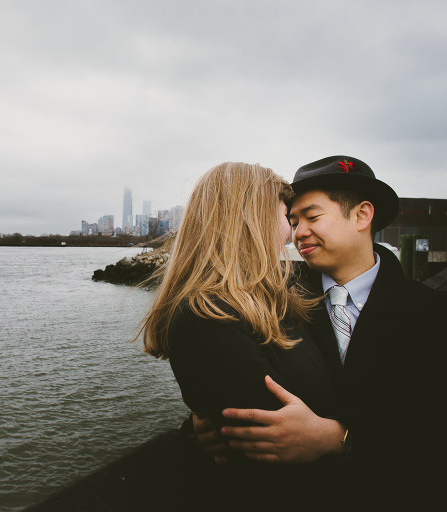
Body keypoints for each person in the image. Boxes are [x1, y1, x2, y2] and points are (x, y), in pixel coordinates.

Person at [194, 156, 447, 510]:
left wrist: (336, 437)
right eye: (292, 220)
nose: (298, 232)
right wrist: (207, 422)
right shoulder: (275, 298)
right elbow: (243, 373)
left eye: (312, 217)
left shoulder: (435, 311)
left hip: (412, 492)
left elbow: (439, 415)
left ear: (362, 215)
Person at [140, 162, 343, 509]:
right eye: (287, 218)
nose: (290, 233)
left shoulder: (271, 303)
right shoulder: (207, 317)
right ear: (252, 217)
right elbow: (275, 436)